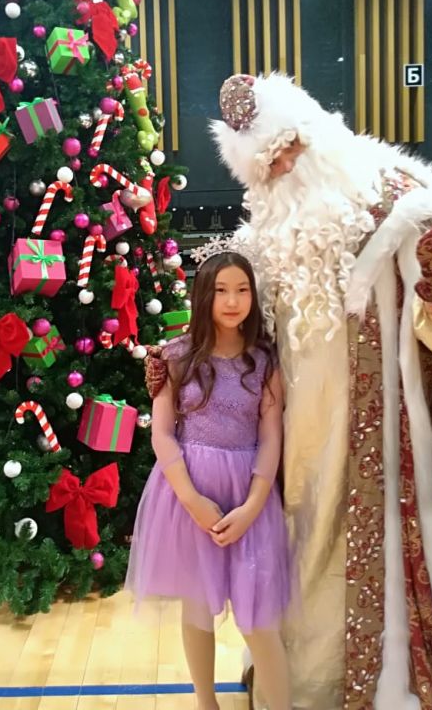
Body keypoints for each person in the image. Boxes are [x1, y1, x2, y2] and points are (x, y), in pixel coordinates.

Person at [210, 71, 432, 710]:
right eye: (270, 163)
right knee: (298, 536)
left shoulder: (398, 199)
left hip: (381, 424)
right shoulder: (264, 234)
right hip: (294, 429)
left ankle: (371, 678)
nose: (287, 166)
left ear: (316, 130)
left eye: (291, 146)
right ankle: (292, 677)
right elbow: (235, 325)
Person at [126, 251, 292, 710]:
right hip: (188, 494)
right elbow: (162, 434)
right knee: (196, 607)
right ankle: (206, 702)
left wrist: (253, 505)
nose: (232, 301)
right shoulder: (176, 356)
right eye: (221, 290)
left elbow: (271, 437)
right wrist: (193, 500)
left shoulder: (264, 360)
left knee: (259, 619)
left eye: (242, 290)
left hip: (248, 495)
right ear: (203, 295)